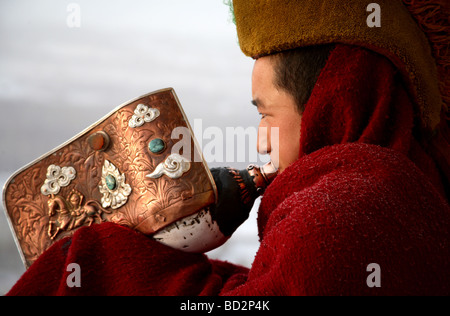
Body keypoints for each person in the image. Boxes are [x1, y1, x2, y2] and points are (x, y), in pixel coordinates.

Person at [7, 0, 449, 296]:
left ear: (332, 101)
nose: (259, 139)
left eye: (266, 113)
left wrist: (101, 259)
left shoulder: (343, 214)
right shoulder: (404, 191)